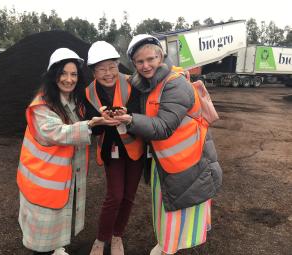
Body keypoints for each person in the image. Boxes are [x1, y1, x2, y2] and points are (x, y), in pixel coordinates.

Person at [114, 34, 222, 255]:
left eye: (151, 59)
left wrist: (131, 120)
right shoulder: (150, 83)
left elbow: (163, 126)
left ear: (161, 56)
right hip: (167, 160)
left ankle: (168, 248)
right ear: (134, 63)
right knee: (166, 206)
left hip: (188, 160)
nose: (145, 66)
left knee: (179, 210)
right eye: (140, 62)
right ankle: (166, 244)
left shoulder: (175, 84)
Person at [16, 48, 119, 255]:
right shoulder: (42, 105)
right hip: (43, 178)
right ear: (53, 75)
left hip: (60, 176)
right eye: (63, 73)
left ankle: (56, 247)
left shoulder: (73, 100)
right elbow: (56, 132)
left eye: (73, 74)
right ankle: (46, 250)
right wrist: (90, 125)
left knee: (59, 215)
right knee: (44, 221)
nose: (69, 79)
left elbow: (87, 117)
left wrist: (101, 117)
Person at [84, 41, 144, 255]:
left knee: (128, 196)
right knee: (115, 196)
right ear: (93, 71)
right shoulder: (89, 93)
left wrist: (127, 117)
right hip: (111, 149)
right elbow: (88, 123)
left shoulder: (132, 83)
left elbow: (141, 112)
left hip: (135, 147)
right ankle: (101, 239)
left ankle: (117, 236)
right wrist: (101, 122)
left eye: (111, 67)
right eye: (101, 69)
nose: (108, 73)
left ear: (118, 65)